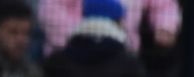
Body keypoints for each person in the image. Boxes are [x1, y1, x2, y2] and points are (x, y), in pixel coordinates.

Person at [40, 0, 180, 54]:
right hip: (72, 59)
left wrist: (165, 26)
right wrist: (86, 40)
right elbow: (51, 12)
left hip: (123, 58)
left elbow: (164, 5)